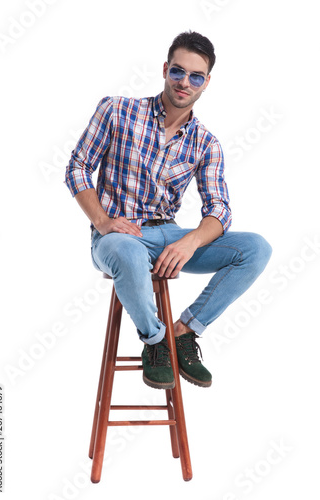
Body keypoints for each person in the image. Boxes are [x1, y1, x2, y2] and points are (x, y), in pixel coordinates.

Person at [65, 31, 272, 391]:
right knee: (126, 250)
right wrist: (102, 220)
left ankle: (184, 331)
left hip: (170, 235)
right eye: (178, 71)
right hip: (117, 236)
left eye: (195, 76)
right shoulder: (116, 110)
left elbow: (219, 209)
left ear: (206, 83)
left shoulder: (206, 143)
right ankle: (155, 340)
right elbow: (78, 166)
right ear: (165, 69)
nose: (184, 83)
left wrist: (190, 241)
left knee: (256, 248)